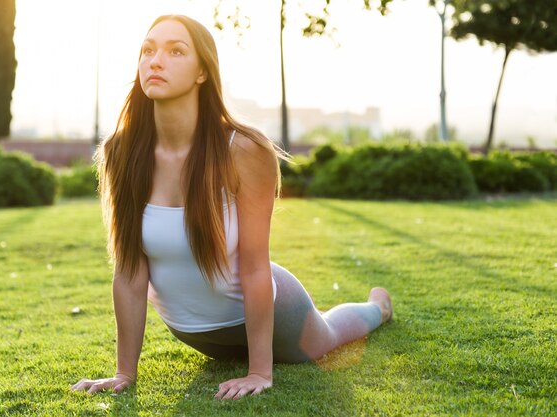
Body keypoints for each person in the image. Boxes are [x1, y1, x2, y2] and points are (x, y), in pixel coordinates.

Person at [71, 14, 392, 401]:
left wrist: (259, 371)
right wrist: (124, 372)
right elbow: (129, 271)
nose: (155, 61)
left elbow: (255, 265)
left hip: (269, 311)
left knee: (326, 337)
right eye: (148, 50)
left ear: (203, 72)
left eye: (176, 51)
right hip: (194, 331)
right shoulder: (120, 152)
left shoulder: (243, 150)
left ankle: (378, 307)